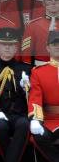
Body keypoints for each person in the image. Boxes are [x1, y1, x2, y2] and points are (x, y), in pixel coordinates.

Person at [0, 27, 32, 162]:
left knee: (24, 125)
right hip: (0, 114)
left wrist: (26, 88)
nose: (7, 48)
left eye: (11, 45)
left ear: (16, 48)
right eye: (4, 45)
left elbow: (33, 96)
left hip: (20, 115)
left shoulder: (27, 69)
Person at [28, 30, 59, 162]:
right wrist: (35, 119)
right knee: (38, 136)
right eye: (54, 44)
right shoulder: (38, 72)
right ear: (47, 48)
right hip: (50, 119)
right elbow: (36, 97)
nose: (58, 46)